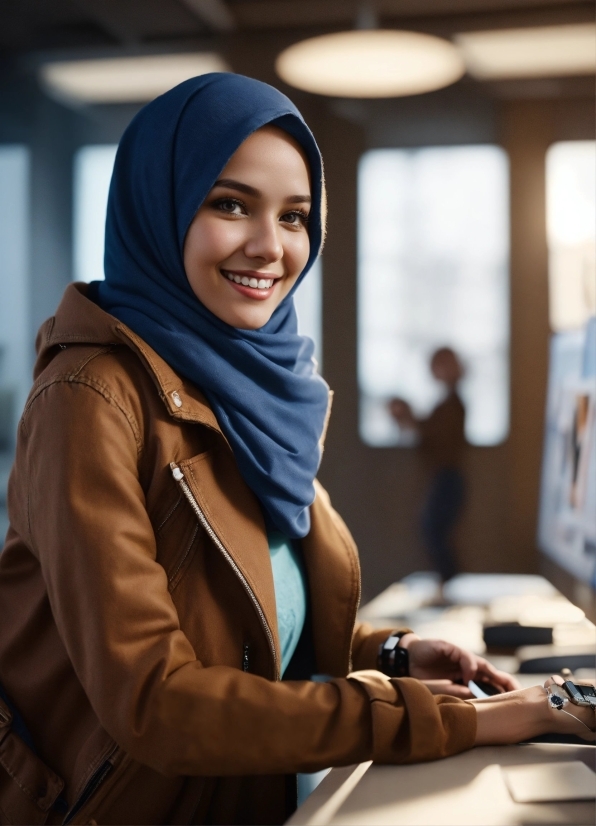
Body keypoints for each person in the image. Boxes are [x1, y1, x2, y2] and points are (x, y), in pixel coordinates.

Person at [0, 74, 592, 826]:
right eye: (229, 203)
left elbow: (247, 636)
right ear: (160, 204)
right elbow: (158, 700)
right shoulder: (90, 399)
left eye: (295, 216)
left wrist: (391, 655)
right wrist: (450, 719)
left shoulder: (251, 388)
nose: (270, 246)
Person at [389, 347, 466, 581]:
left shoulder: (453, 405)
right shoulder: (446, 404)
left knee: (433, 531)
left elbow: (436, 436)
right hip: (443, 476)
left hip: (449, 477)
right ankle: (447, 584)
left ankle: (450, 584)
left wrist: (411, 418)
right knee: (432, 531)